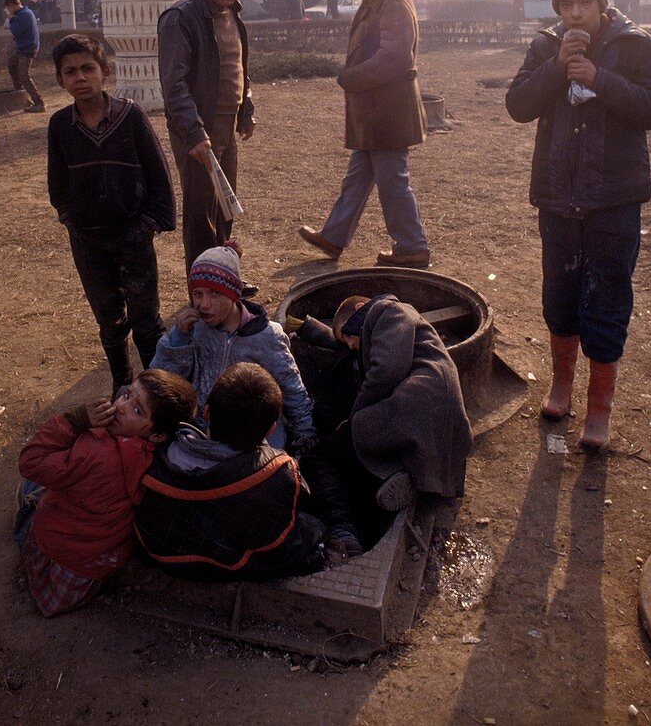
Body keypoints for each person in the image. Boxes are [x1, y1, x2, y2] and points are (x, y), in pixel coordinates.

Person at [505, 0, 651, 450]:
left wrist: (601, 80)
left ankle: (599, 408)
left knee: (606, 298)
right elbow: (517, 105)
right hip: (558, 198)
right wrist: (557, 69)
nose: (575, 13)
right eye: (567, 4)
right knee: (559, 295)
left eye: (585, 2)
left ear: (602, 3)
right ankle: (561, 384)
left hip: (614, 199)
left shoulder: (636, 45)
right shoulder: (546, 46)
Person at [47, 34, 176, 394]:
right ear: (60, 80)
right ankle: (122, 383)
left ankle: (156, 390)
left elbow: (157, 170)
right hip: (87, 240)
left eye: (88, 68)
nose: (80, 77)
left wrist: (152, 222)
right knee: (108, 318)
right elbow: (56, 181)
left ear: (104, 70)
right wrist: (69, 218)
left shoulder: (130, 115)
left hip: (132, 234)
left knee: (146, 319)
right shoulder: (60, 125)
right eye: (70, 71)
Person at [15, 369, 196, 617]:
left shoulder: (93, 449)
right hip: (101, 559)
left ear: (157, 433)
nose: (121, 406)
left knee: (30, 488)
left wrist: (75, 421)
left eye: (137, 410)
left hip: (62, 558)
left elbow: (30, 461)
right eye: (127, 395)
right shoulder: (156, 457)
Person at [299, 293, 472, 548]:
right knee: (352, 450)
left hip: (419, 399)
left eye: (346, 335)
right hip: (420, 407)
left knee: (323, 455)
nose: (349, 345)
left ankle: (347, 529)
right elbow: (350, 343)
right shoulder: (376, 329)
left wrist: (356, 419)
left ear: (360, 309)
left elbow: (386, 371)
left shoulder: (389, 310)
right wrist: (308, 327)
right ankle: (403, 475)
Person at [298, 0, 430, 268]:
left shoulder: (393, 1)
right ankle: (334, 235)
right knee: (358, 177)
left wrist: (351, 77)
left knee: (392, 182)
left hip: (387, 111)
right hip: (377, 111)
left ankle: (412, 247)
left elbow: (396, 57)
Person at [135, 363, 327, 580]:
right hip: (239, 565)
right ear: (271, 429)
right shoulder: (279, 470)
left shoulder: (158, 454)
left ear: (206, 412)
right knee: (314, 526)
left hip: (167, 558)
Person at [151, 244, 317, 451]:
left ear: (233, 294)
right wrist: (178, 339)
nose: (203, 304)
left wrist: (305, 435)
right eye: (198, 294)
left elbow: (291, 388)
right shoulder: (195, 329)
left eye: (214, 293)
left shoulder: (266, 336)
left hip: (251, 438)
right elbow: (162, 380)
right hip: (201, 429)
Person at [157, 0, 258, 274]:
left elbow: (238, 66)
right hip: (198, 130)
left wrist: (246, 110)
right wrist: (194, 133)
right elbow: (174, 85)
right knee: (201, 214)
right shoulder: (180, 18)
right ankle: (203, 293)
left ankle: (223, 281)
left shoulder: (232, 14)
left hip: (227, 126)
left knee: (225, 208)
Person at [4, 0, 46, 113]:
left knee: (24, 76)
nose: (8, 12)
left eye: (8, 9)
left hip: (27, 49)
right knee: (12, 63)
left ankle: (39, 102)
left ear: (11, 5)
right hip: (26, 47)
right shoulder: (25, 12)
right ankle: (20, 91)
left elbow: (16, 32)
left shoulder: (23, 15)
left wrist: (11, 19)